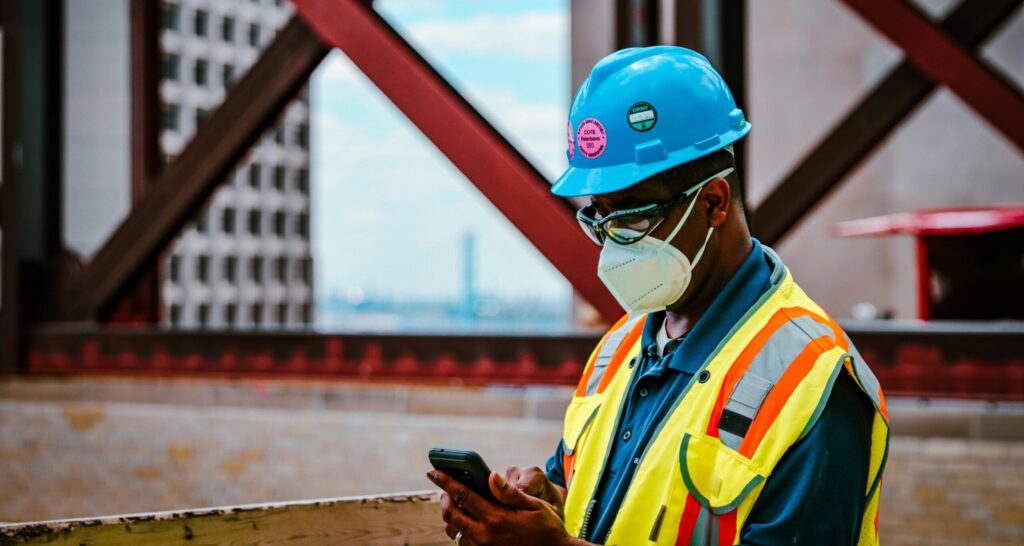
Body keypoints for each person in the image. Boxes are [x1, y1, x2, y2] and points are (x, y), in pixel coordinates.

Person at [427, 46, 890, 546]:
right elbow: (600, 501)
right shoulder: (618, 348)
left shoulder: (812, 381)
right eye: (597, 219)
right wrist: (546, 500)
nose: (611, 246)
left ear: (714, 202)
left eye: (632, 218)